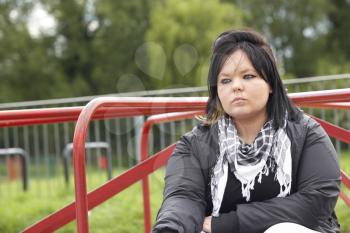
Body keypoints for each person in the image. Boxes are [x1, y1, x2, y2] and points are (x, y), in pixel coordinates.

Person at [151, 29, 341, 233]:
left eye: (248, 76)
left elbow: (316, 202)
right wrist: (168, 229)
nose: (236, 87)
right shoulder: (195, 144)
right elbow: (183, 197)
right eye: (225, 80)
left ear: (270, 84)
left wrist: (227, 223)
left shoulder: (305, 134)